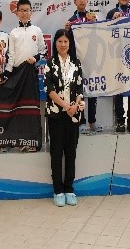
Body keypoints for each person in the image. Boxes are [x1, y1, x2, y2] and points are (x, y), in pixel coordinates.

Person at [44, 29, 84, 207]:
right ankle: (58, 190)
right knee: (56, 153)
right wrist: (66, 106)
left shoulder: (76, 62)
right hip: (56, 114)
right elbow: (49, 90)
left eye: (66, 41)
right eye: (60, 41)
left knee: (71, 153)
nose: (63, 44)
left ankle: (69, 188)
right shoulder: (49, 63)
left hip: (73, 115)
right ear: (55, 43)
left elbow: (80, 88)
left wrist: (75, 106)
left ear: (70, 44)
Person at [7, 0, 47, 152]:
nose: (24, 13)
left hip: (31, 73)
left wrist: (35, 58)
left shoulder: (37, 31)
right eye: (21, 11)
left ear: (31, 12)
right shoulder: (13, 33)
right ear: (17, 13)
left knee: (32, 108)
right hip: (17, 74)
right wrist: (7, 74)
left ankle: (33, 142)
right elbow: (11, 55)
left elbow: (44, 51)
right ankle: (20, 141)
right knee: (19, 108)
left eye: (27, 10)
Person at [64, 0, 100, 134]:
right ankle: (82, 120)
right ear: (74, 1)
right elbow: (67, 43)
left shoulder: (93, 17)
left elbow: (99, 36)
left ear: (87, 0)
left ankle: (92, 121)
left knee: (92, 91)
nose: (82, 0)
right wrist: (67, 30)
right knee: (79, 92)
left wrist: (95, 23)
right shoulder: (71, 21)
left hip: (91, 60)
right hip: (76, 62)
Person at [106, 0, 130, 133]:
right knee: (118, 88)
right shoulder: (111, 13)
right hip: (117, 57)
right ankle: (120, 120)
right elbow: (105, 33)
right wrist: (112, 21)